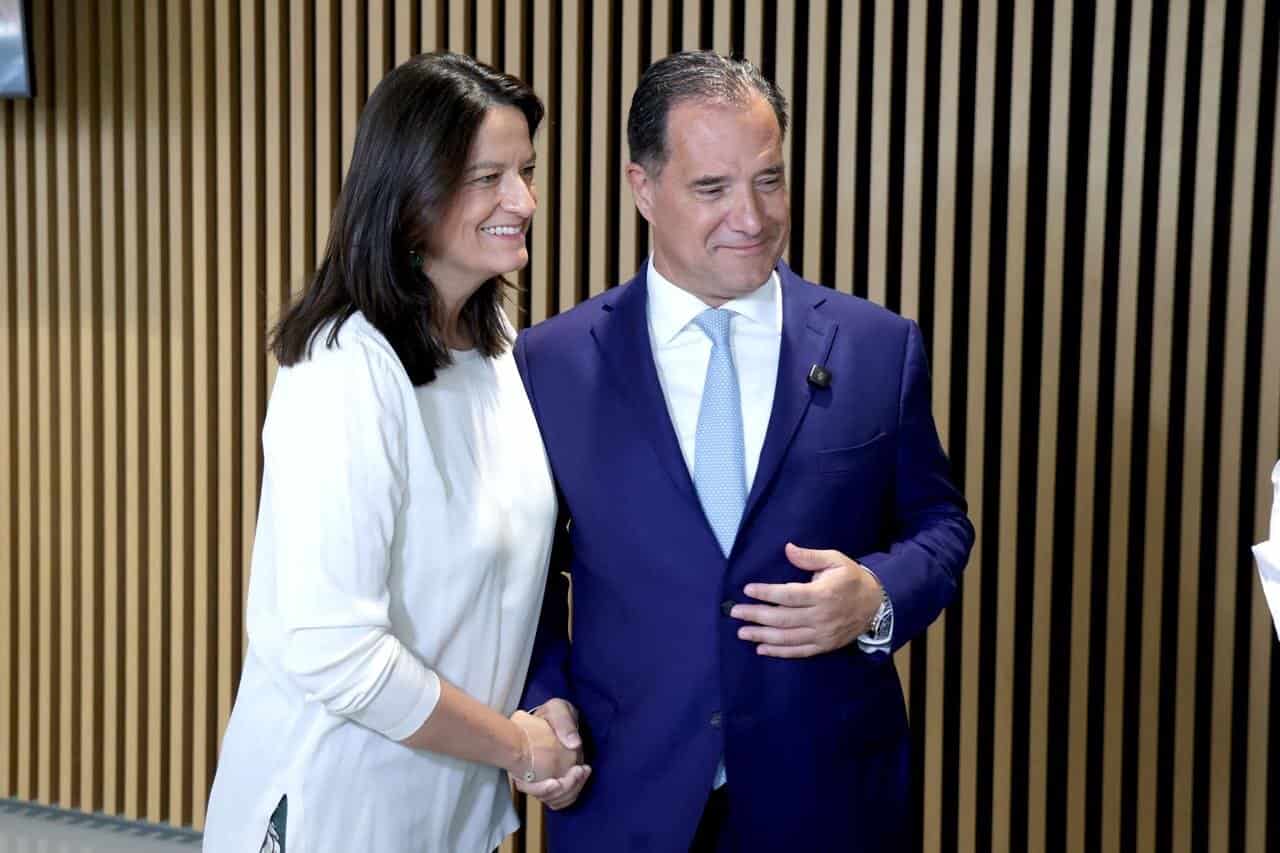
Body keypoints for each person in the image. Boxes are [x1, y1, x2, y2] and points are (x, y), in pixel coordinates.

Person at [512, 51, 975, 851]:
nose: (752, 217)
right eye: (712, 188)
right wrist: (543, 693)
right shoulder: (550, 363)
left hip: (830, 803)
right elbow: (524, 576)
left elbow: (940, 522)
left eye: (768, 180)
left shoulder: (878, 346)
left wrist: (876, 595)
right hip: (625, 802)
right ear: (642, 188)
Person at [202, 52, 586, 853]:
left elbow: (505, 584)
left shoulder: (491, 342)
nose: (523, 200)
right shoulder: (345, 368)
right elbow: (333, 650)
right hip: (335, 810)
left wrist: (540, 703)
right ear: (412, 197)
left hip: (450, 810)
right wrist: (515, 745)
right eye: (488, 178)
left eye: (525, 172)